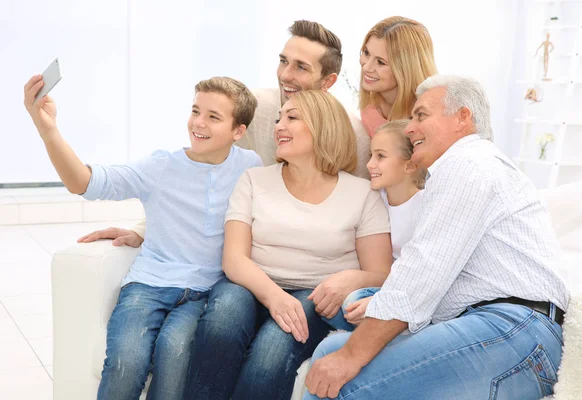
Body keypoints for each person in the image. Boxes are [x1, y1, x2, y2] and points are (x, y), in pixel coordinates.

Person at [303, 75, 569, 400]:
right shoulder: (474, 166)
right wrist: (379, 303)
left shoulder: (466, 164)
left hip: (514, 332)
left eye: (421, 115)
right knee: (343, 325)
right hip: (511, 330)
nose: (410, 128)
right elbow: (439, 280)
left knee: (337, 365)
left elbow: (422, 271)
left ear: (462, 118)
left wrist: (350, 357)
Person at [23, 75, 262, 400]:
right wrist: (47, 128)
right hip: (148, 286)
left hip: (202, 292)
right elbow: (84, 182)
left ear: (239, 131)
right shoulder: (161, 166)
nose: (198, 123)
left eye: (213, 116)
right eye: (195, 111)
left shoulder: (250, 167)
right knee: (126, 362)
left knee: (174, 353)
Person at [77, 19, 373, 250]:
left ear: (328, 81)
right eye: (283, 60)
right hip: (242, 251)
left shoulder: (353, 136)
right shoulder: (254, 109)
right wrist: (144, 231)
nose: (285, 75)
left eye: (300, 67)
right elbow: (203, 172)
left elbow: (361, 216)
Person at [184, 90, 393, 400]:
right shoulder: (253, 180)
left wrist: (350, 279)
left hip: (313, 295)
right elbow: (234, 259)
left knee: (270, 354)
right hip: (250, 285)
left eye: (292, 118)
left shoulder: (363, 194)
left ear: (324, 127)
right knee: (222, 322)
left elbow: (381, 271)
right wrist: (274, 297)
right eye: (279, 118)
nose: (279, 125)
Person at [324, 120, 427, 331]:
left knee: (355, 300)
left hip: (409, 290)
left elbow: (424, 273)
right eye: (371, 155)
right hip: (379, 285)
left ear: (410, 165)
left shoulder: (426, 206)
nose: (370, 164)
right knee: (339, 305)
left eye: (380, 156)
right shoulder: (371, 198)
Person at [358, 16, 438, 138]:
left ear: (406, 69)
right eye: (366, 53)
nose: (366, 68)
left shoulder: (430, 114)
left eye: (380, 62)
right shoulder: (370, 111)